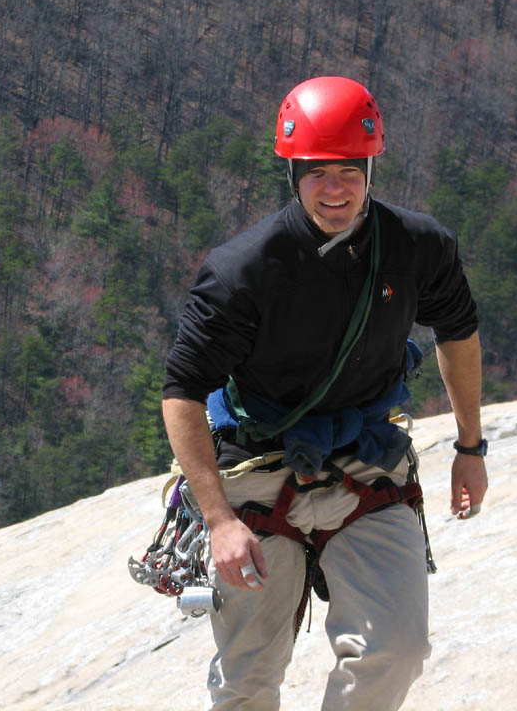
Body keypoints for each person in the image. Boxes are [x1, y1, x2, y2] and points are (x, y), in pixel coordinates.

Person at [161, 76, 488, 711]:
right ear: (292, 174)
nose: (333, 187)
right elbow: (182, 392)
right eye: (316, 173)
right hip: (257, 465)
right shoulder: (243, 270)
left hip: (366, 455)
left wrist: (471, 446)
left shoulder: (418, 248)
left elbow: (458, 334)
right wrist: (219, 519)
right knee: (246, 682)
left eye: (347, 170)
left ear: (370, 167)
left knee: (397, 649)